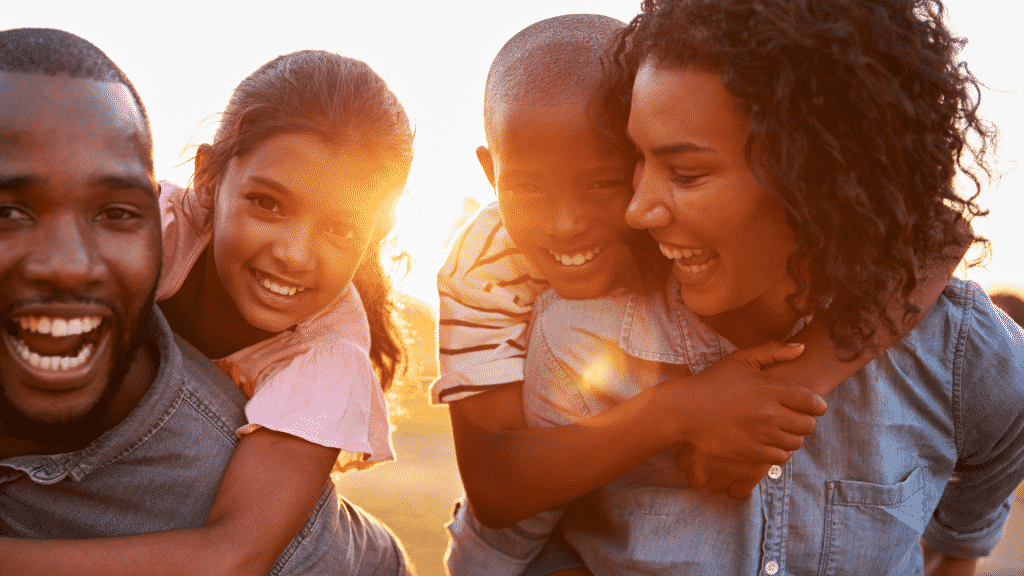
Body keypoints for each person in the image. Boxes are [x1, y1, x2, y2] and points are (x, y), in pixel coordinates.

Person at [434, 13, 962, 576]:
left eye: (605, 183)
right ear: (491, 173)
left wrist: (796, 380)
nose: (565, 223)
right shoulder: (488, 261)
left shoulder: (672, 212)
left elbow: (939, 232)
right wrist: (678, 410)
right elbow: (496, 488)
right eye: (528, 188)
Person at [0, 28, 409, 576]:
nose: (295, 253)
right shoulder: (153, 231)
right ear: (208, 176)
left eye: (341, 229)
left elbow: (233, 557)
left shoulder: (328, 359)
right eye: (267, 203)